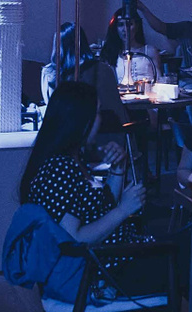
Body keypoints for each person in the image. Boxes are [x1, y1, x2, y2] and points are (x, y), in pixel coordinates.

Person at [15, 76, 146, 250]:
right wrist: (123, 210)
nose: (101, 119)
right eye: (97, 112)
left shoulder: (73, 159)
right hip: (106, 260)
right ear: (80, 120)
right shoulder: (59, 169)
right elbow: (74, 239)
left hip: (115, 252)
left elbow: (103, 209)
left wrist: (118, 168)